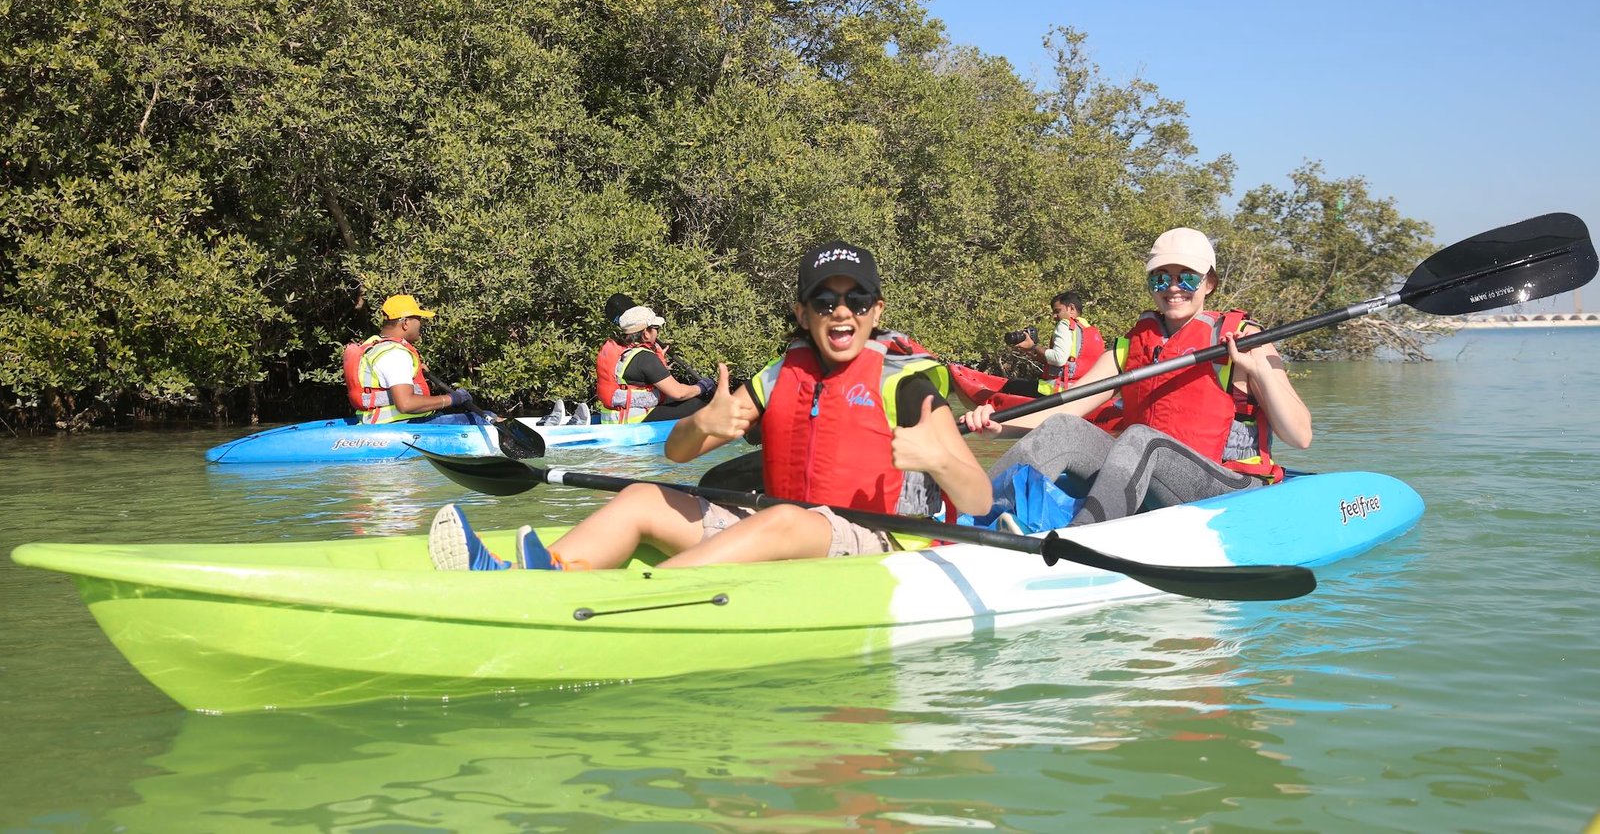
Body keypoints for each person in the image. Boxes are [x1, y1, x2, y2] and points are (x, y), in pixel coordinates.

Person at [430, 240, 994, 571]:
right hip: (780, 524)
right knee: (644, 496)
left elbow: (978, 494)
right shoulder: (778, 379)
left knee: (782, 520)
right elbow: (677, 455)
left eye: (856, 299)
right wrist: (702, 422)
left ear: (875, 311)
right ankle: (544, 575)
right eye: (825, 300)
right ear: (803, 313)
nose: (840, 311)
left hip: (875, 539)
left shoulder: (907, 385)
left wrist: (940, 460)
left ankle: (635, 602)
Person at [963, 227, 1313, 527]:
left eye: (1186, 277)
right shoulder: (1131, 345)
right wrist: (1000, 426)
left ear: (1209, 283)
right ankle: (972, 518)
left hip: (1229, 485)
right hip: (1145, 475)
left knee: (1142, 440)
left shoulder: (1246, 340)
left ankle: (1081, 537)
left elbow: (1300, 435)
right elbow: (1065, 409)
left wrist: (1259, 371)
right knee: (1063, 430)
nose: (1173, 287)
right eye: (1161, 277)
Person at [343, 294, 485, 425]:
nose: (420, 324)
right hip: (400, 427)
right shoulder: (395, 354)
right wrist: (453, 398)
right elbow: (406, 404)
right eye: (418, 319)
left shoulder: (375, 345)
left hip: (376, 423)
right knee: (483, 420)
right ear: (405, 323)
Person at [595, 303, 716, 423]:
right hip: (633, 422)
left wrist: (658, 361)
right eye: (656, 328)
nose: (657, 332)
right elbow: (679, 393)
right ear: (646, 333)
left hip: (613, 419)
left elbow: (636, 374)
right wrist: (702, 387)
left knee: (669, 399)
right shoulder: (645, 358)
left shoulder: (620, 350)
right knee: (695, 404)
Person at [996, 291, 1107, 400]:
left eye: (1057, 311)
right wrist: (1037, 356)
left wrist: (1033, 347)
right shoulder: (1092, 331)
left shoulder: (1065, 324)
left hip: (1060, 393)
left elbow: (1059, 359)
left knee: (1012, 384)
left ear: (1071, 309)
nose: (1054, 316)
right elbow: (1072, 364)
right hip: (1084, 392)